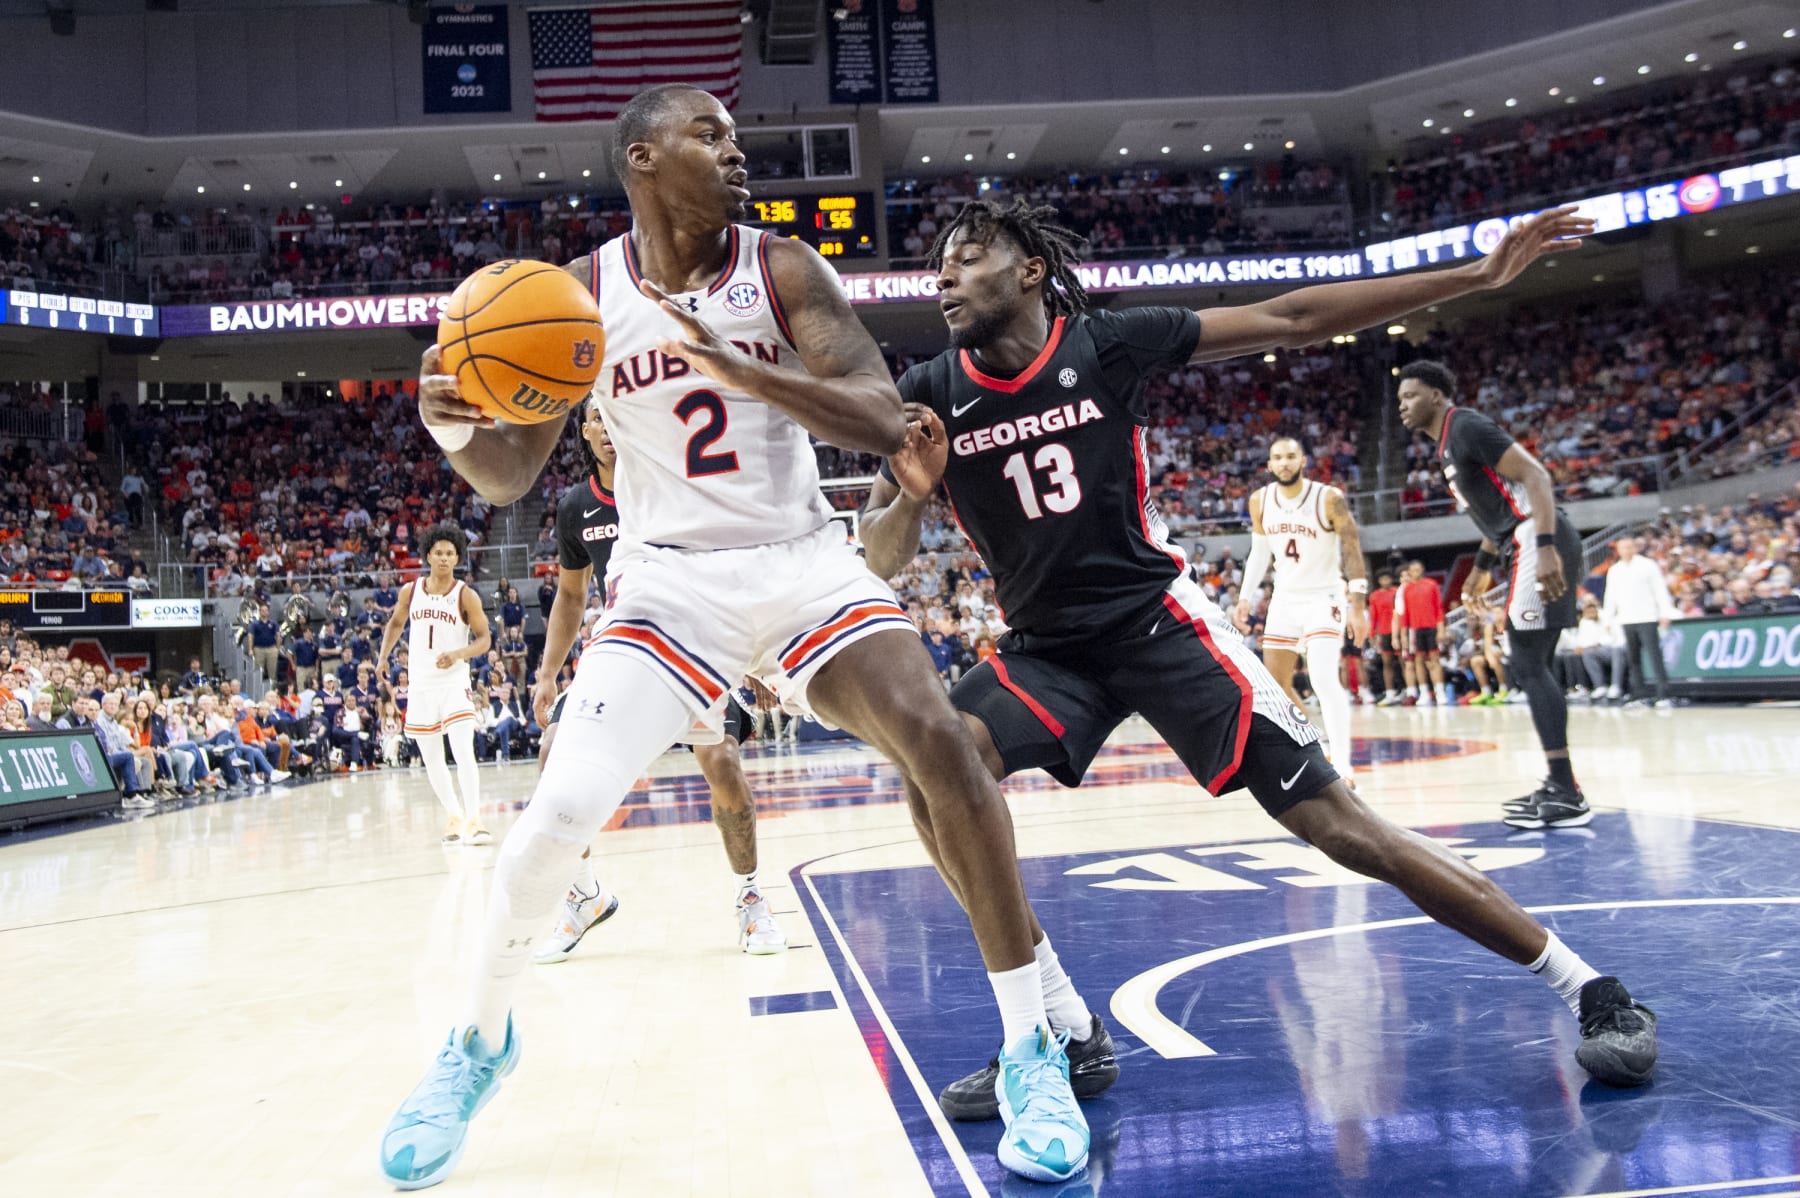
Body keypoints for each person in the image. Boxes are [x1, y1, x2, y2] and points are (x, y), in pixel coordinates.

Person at [858, 197, 1655, 1136]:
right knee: (938, 764)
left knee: (1342, 829)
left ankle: (1591, 987)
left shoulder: (1110, 345)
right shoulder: (928, 392)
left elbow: (1293, 318)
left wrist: (1477, 275)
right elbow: (877, 555)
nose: (942, 276)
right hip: (1047, 649)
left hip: (1160, 626)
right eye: (936, 265)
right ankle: (1058, 1028)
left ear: (1031, 270)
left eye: (968, 256)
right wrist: (909, 499)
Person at [381, 84, 1057, 1190]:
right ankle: (475, 1045)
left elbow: (885, 416)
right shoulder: (581, 295)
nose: (739, 151)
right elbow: (507, 477)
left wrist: (744, 366)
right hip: (668, 588)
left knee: (941, 738)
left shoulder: (782, 268)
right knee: (553, 815)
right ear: (642, 156)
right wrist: (450, 419)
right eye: (712, 135)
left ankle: (1033, 1046)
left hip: (802, 562)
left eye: (737, 134)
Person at [529, 400, 787, 964]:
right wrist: (548, 672)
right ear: (588, 432)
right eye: (593, 417)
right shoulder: (576, 507)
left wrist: (757, 659)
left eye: (611, 413)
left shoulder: (672, 484)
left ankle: (750, 897)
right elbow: (572, 596)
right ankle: (583, 896)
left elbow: (721, 574)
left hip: (691, 639)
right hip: (622, 650)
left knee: (722, 762)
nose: (605, 426)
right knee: (553, 753)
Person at [1397, 361, 1591, 828]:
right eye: (1400, 399)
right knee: (1529, 661)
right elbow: (1498, 513)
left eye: (1411, 396)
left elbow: (1538, 478)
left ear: (1438, 396)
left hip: (1537, 539)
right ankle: (1559, 783)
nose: (1403, 405)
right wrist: (1480, 570)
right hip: (1520, 541)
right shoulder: (1447, 444)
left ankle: (1566, 791)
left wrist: (1545, 549)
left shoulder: (1464, 425)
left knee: (1526, 661)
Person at [1233, 438, 1368, 775]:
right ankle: (1317, 743)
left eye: (1291, 456)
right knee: (1276, 684)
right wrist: (1245, 597)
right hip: (1285, 598)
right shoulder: (1260, 501)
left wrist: (1358, 604)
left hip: (1324, 597)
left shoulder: (1328, 498)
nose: (1284, 463)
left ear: (1303, 460)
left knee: (1323, 679)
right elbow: (1260, 553)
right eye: (1277, 457)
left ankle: (1345, 766)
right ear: (1269, 463)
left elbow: (1352, 546)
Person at [377, 523, 493, 846]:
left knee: (462, 750)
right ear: (428, 555)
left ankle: (474, 818)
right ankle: (454, 816)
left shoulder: (465, 595)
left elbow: (484, 639)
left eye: (450, 553)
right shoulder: (410, 591)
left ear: (458, 558)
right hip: (421, 684)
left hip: (454, 681)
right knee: (431, 757)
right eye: (438, 552)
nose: (444, 558)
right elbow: (396, 623)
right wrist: (383, 657)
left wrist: (459, 653)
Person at [1602, 536, 1678, 708]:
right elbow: (1610, 597)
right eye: (1623, 547)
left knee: (1654, 656)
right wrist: (1607, 619)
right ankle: (1639, 695)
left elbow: (1659, 589)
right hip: (1627, 619)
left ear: (1634, 548)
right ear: (1618, 550)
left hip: (1648, 616)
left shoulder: (1647, 565)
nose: (1627, 550)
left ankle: (1664, 694)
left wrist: (1665, 612)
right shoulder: (1615, 570)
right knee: (1633, 659)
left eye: (1629, 547)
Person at [1395, 561, 1448, 706]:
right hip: (1415, 630)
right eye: (1413, 570)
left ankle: (1440, 691)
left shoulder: (1431, 584)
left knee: (1434, 660)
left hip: (1431, 627)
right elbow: (1404, 615)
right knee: (1418, 660)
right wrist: (1404, 635)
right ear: (1410, 572)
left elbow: (1439, 608)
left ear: (1422, 570)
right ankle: (1424, 692)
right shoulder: (1406, 589)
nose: (1416, 572)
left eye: (1418, 569)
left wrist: (1441, 629)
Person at [1368, 569, 1402, 705]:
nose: (1385, 581)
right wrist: (1372, 634)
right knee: (1387, 663)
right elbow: (1373, 616)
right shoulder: (1374, 596)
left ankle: (1405, 689)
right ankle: (1390, 692)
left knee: (1402, 662)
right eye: (1383, 579)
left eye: (1388, 578)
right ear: (1379, 581)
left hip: (1398, 631)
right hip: (1384, 632)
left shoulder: (1397, 592)